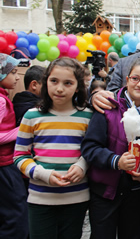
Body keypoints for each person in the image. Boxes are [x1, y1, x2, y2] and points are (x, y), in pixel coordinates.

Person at [14, 58, 93, 239]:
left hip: (76, 198)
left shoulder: (88, 116)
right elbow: (19, 156)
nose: (59, 88)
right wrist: (43, 174)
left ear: (78, 86)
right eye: (54, 81)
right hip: (40, 199)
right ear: (45, 81)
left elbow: (92, 150)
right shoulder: (32, 116)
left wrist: (82, 165)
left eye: (68, 83)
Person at [81, 58, 140, 238]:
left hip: (137, 193)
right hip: (106, 191)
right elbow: (90, 147)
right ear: (127, 79)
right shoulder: (108, 107)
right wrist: (116, 161)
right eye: (135, 78)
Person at [0, 54, 28, 239]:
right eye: (13, 72)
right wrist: (22, 130)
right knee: (17, 211)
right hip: (4, 165)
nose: (17, 77)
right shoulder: (1, 101)